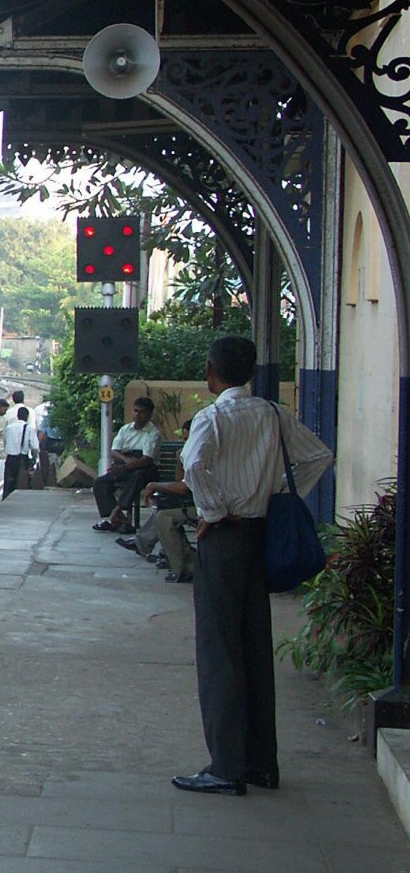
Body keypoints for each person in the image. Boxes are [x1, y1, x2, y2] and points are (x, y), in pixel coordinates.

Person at [173, 335, 331, 796]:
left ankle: (226, 765)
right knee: (255, 648)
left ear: (210, 372)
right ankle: (262, 762)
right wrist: (279, 494)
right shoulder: (274, 413)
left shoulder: (213, 417)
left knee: (220, 651)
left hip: (224, 539)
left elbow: (193, 465)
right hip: (260, 534)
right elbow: (320, 456)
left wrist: (214, 511)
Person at [92, 397, 162, 532]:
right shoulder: (126, 429)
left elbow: (147, 459)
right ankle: (118, 519)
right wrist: (124, 461)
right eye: (135, 411)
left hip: (145, 468)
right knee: (100, 483)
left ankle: (117, 510)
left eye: (142, 412)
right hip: (125, 462)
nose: (137, 414)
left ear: (149, 414)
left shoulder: (153, 433)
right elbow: (114, 450)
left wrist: (125, 467)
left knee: (137, 475)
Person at [1, 405, 39, 498]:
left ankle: (6, 500)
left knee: (8, 483)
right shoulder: (29, 428)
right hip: (22, 458)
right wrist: (34, 458)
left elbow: (5, 441)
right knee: (22, 482)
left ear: (18, 416)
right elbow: (35, 446)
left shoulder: (9, 428)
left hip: (10, 458)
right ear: (27, 417)